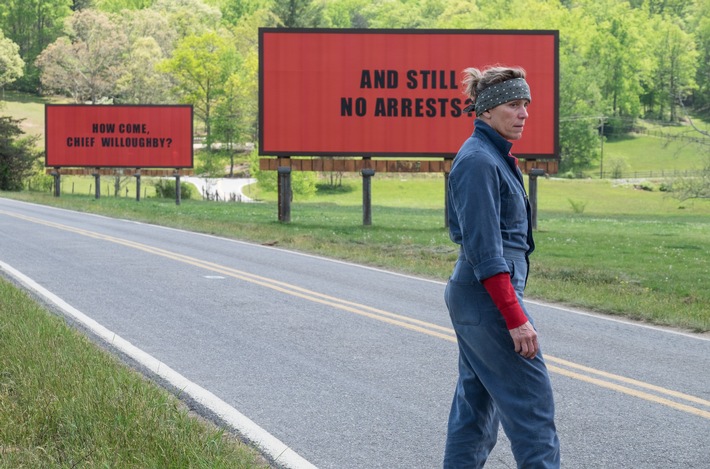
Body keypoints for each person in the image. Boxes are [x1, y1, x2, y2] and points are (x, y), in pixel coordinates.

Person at [443, 65, 560, 468]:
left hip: (481, 295)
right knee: (532, 410)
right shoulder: (478, 161)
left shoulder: (492, 156)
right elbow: (485, 251)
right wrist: (514, 316)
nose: (524, 113)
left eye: (526, 104)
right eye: (514, 104)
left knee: (475, 410)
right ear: (487, 111)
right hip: (487, 296)